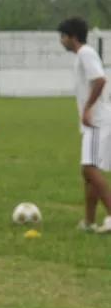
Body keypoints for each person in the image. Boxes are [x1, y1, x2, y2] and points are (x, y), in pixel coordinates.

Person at [58, 16, 111, 233]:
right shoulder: (82, 56)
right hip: (94, 122)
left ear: (73, 37)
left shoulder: (85, 53)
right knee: (87, 171)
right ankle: (88, 222)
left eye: (63, 36)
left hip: (97, 122)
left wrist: (88, 108)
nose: (61, 41)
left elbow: (100, 80)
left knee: (90, 169)